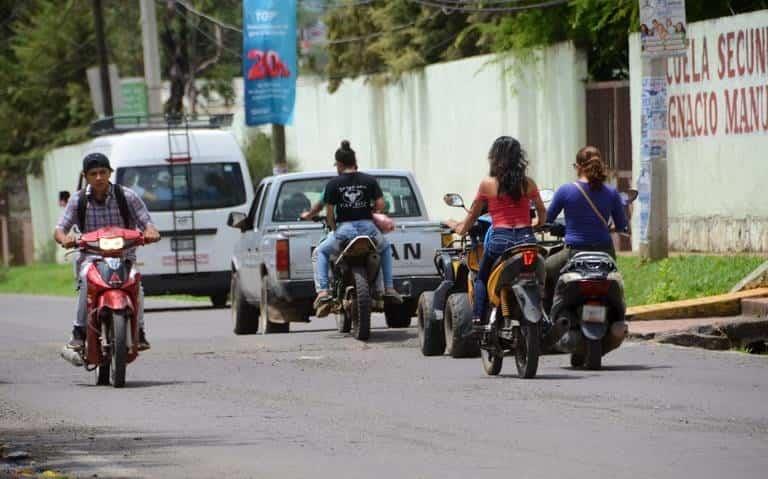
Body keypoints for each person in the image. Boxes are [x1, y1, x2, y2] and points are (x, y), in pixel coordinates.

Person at [54, 153, 161, 351]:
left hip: (124, 256)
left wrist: (150, 232)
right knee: (86, 281)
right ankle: (79, 331)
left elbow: (147, 222)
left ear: (110, 173)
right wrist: (65, 239)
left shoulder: (127, 196)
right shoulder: (77, 200)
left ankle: (139, 331)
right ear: (85, 176)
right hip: (91, 259)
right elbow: (60, 229)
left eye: (103, 172)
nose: (99, 178)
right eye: (93, 173)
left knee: (137, 283)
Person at [450, 136, 546, 325]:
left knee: (481, 277)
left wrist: (455, 226)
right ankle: (544, 318)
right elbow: (542, 212)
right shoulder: (528, 184)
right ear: (519, 157)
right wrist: (535, 224)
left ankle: (478, 318)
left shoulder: (487, 184)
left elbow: (471, 218)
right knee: (538, 277)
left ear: (494, 158)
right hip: (526, 239)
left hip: (500, 241)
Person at [301, 140, 402, 316]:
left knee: (320, 252)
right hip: (369, 229)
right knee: (385, 249)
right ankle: (389, 288)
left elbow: (330, 213)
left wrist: (333, 228)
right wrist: (373, 211)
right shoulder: (369, 180)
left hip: (345, 231)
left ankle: (323, 292)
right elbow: (380, 203)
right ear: (354, 162)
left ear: (340, 164)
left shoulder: (334, 184)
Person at [543, 146, 628, 311]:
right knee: (614, 285)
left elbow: (547, 219)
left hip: (573, 253)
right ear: (601, 165)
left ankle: (547, 316)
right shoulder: (611, 192)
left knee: (545, 269)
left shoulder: (565, 190)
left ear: (578, 167)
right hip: (605, 254)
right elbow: (621, 225)